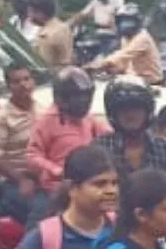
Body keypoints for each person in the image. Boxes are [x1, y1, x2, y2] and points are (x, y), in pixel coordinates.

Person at [27, 67, 112, 198]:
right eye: (78, 97)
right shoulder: (47, 121)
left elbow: (108, 135)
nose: (84, 101)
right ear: (62, 98)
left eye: (86, 96)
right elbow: (32, 155)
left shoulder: (88, 119)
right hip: (56, 189)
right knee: (41, 215)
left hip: (86, 186)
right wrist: (54, 170)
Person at [95, 80, 166, 185]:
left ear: (147, 111)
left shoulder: (165, 147)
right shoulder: (100, 147)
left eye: (136, 108)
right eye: (124, 109)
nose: (130, 115)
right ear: (113, 114)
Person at [0, 64, 45, 221]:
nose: (23, 84)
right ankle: (31, 245)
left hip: (44, 177)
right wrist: (21, 179)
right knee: (43, 209)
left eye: (27, 79)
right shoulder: (2, 118)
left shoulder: (41, 108)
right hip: (14, 182)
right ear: (9, 86)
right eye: (17, 81)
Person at [96, 4, 163, 84]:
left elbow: (123, 55)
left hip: (150, 81)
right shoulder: (126, 38)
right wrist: (111, 69)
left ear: (137, 22)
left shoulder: (142, 38)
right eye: (122, 21)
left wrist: (101, 64)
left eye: (129, 22)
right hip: (135, 77)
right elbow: (124, 62)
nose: (125, 25)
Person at [30, 0, 76, 71]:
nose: (30, 16)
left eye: (31, 12)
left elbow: (66, 62)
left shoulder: (59, 30)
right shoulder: (43, 28)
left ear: (40, 12)